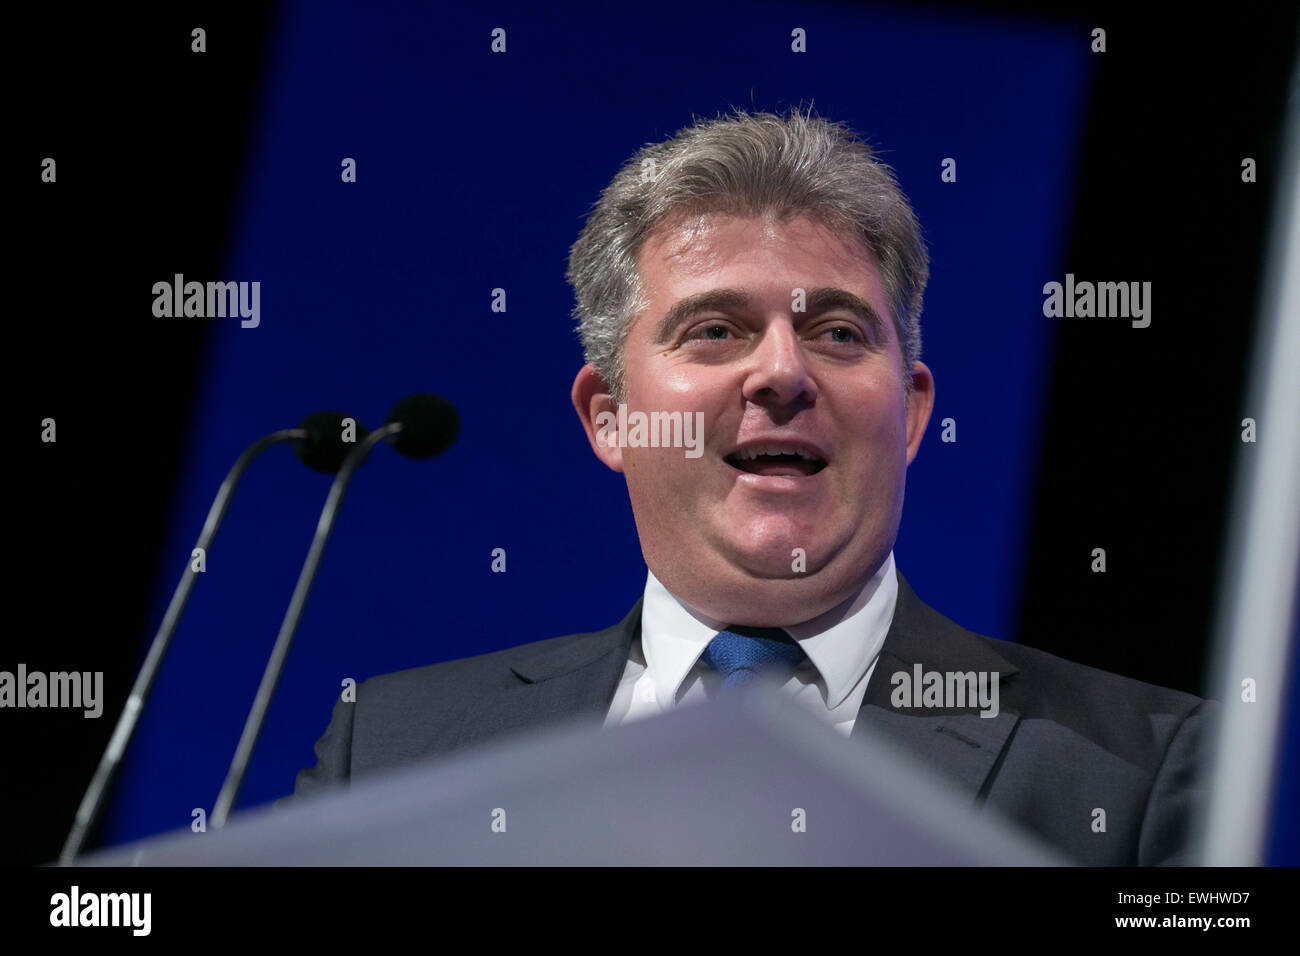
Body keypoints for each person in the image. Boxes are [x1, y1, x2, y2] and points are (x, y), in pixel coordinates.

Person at [286, 107, 1218, 865]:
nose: (782, 373)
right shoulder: (393, 750)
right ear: (608, 416)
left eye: (840, 333)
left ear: (911, 413)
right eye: (716, 330)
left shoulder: (1144, 766)